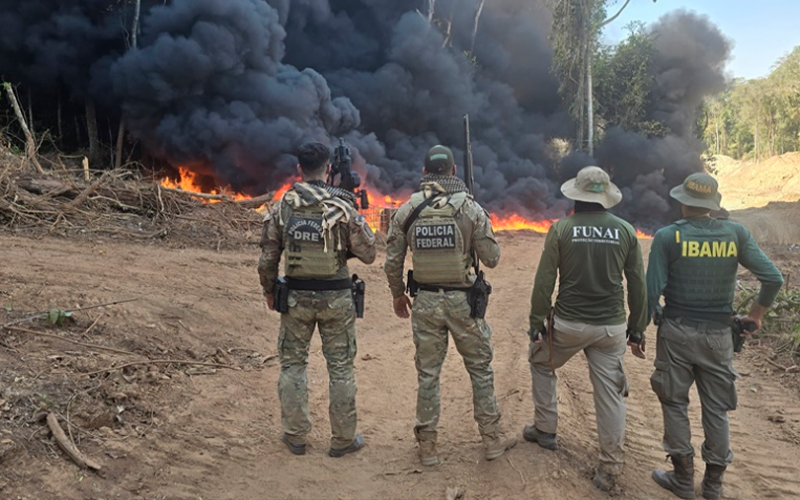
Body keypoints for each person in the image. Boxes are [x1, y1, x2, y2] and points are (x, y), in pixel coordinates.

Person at [647, 173, 784, 500]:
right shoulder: (735, 233)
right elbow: (773, 278)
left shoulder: (668, 237)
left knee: (674, 402)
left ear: (683, 202)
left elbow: (650, 291)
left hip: (677, 332)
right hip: (720, 336)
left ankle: (682, 480)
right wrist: (755, 315)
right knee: (716, 409)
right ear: (712, 204)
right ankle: (713, 486)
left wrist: (641, 327)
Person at [383, 145, 517, 466]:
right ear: (455, 172)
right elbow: (493, 259)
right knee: (480, 370)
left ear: (424, 172)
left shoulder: (408, 210)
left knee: (428, 374)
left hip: (425, 302)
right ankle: (491, 441)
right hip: (463, 303)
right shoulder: (470, 208)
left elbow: (392, 261)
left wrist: (398, 293)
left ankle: (427, 447)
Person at [526, 166, 647, 492]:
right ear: (606, 198)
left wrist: (536, 322)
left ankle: (545, 430)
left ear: (576, 196)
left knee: (540, 360)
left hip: (568, 325)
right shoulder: (624, 231)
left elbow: (544, 282)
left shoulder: (561, 229)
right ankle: (609, 467)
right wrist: (637, 328)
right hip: (610, 329)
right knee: (609, 393)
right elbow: (637, 284)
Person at [258, 141, 377, 457]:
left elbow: (268, 257)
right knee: (341, 368)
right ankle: (342, 440)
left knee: (293, 364)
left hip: (295, 297)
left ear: (299, 169)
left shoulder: (284, 206)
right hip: (336, 299)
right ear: (327, 170)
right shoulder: (342, 207)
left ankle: (295, 436)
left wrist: (269, 291)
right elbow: (369, 254)